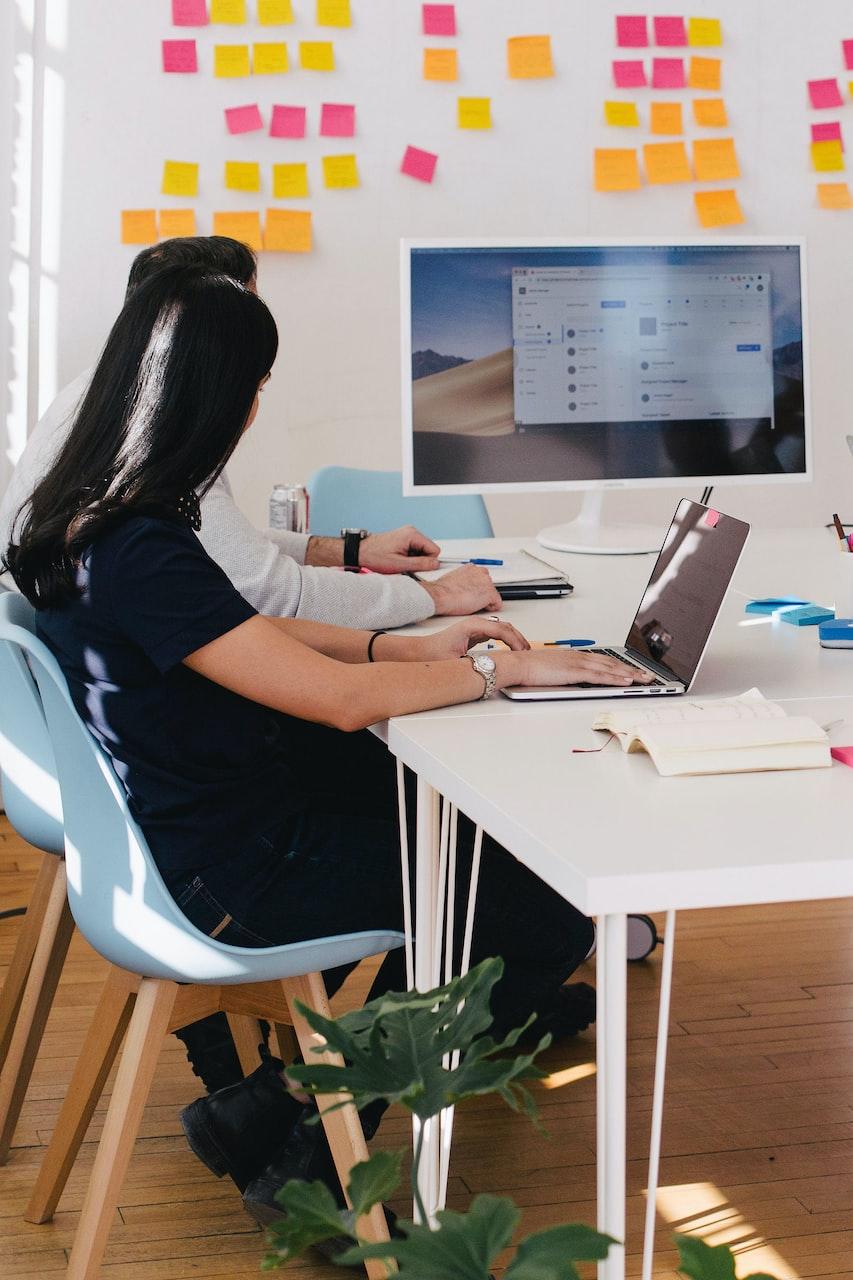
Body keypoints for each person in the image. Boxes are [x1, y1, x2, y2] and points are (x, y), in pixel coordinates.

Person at [4, 266, 648, 1234]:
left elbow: (252, 638)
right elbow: (341, 701)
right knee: (534, 897)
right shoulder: (144, 542)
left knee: (464, 843)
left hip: (187, 824)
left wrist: (404, 644)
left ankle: (272, 1108)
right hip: (229, 869)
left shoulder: (90, 516)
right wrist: (495, 673)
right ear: (229, 394)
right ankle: (314, 1158)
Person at [0, 235, 499, 628]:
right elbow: (272, 594)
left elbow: (209, 545)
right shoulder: (153, 432)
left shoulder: (101, 399)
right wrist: (434, 596)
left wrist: (353, 552)